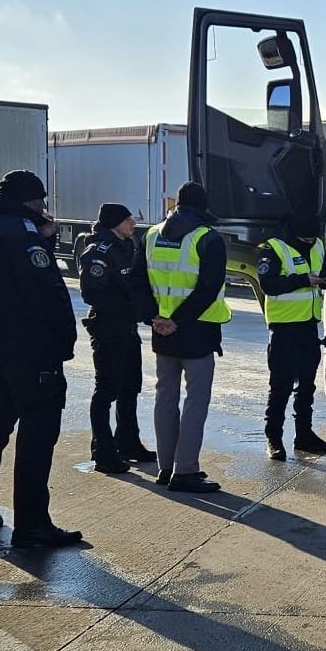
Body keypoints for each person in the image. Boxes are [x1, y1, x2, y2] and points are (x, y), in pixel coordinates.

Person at [0, 170, 82, 548]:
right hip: (31, 354)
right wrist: (63, 344)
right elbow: (49, 296)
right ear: (32, 201)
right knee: (37, 438)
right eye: (42, 202)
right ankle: (32, 525)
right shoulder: (25, 237)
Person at [133, 181, 228, 494]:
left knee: (165, 398)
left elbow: (138, 283)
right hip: (196, 331)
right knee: (195, 402)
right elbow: (207, 288)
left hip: (163, 332)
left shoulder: (150, 235)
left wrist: (155, 318)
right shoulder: (207, 238)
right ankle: (185, 471)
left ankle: (166, 467)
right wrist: (178, 320)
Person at [79, 202, 157, 474]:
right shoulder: (98, 252)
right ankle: (103, 450)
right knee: (107, 390)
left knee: (130, 387)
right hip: (108, 329)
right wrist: (125, 307)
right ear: (115, 223)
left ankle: (128, 441)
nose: (133, 224)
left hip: (127, 328)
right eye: (128, 220)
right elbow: (92, 292)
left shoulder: (128, 245)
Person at [257, 214, 326, 461]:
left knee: (307, 387)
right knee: (280, 387)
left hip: (309, 326)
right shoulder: (274, 247)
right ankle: (274, 439)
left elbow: (323, 268)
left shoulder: (318, 244)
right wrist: (303, 280)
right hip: (283, 329)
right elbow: (269, 284)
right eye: (306, 237)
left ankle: (304, 435)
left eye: (313, 236)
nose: (310, 241)